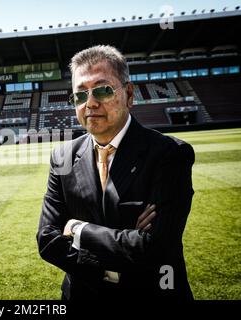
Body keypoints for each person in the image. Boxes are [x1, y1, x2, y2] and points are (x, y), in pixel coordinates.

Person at [36, 45, 195, 300]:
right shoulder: (62, 157)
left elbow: (157, 247)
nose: (90, 103)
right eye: (80, 95)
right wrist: (125, 247)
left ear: (129, 94)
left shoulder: (170, 154)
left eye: (102, 90)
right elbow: (47, 240)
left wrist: (79, 230)